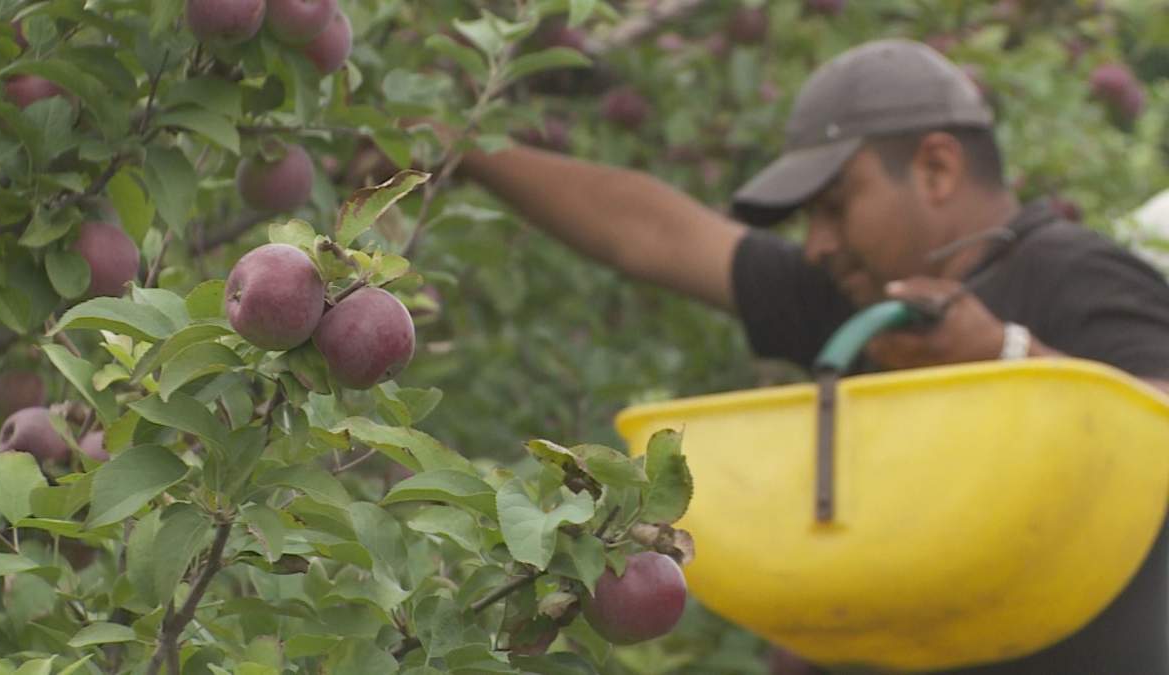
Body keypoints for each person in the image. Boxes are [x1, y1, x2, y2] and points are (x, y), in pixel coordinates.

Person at [454, 38, 1169, 674]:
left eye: (835, 204)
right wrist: (466, 150)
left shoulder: (1071, 272)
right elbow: (652, 233)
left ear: (938, 167)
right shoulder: (853, 302)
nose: (819, 243)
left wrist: (1008, 352)